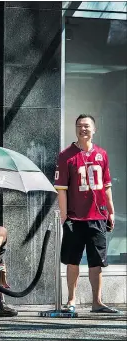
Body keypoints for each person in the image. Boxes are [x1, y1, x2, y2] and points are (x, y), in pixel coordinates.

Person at [55, 114, 119, 314]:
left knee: (96, 262)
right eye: (79, 126)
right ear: (75, 129)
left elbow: (107, 187)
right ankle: (71, 300)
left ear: (94, 129)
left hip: (97, 216)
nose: (83, 129)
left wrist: (111, 211)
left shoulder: (102, 154)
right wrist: (64, 216)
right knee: (72, 260)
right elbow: (61, 189)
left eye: (87, 126)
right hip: (75, 217)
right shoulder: (66, 155)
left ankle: (97, 302)